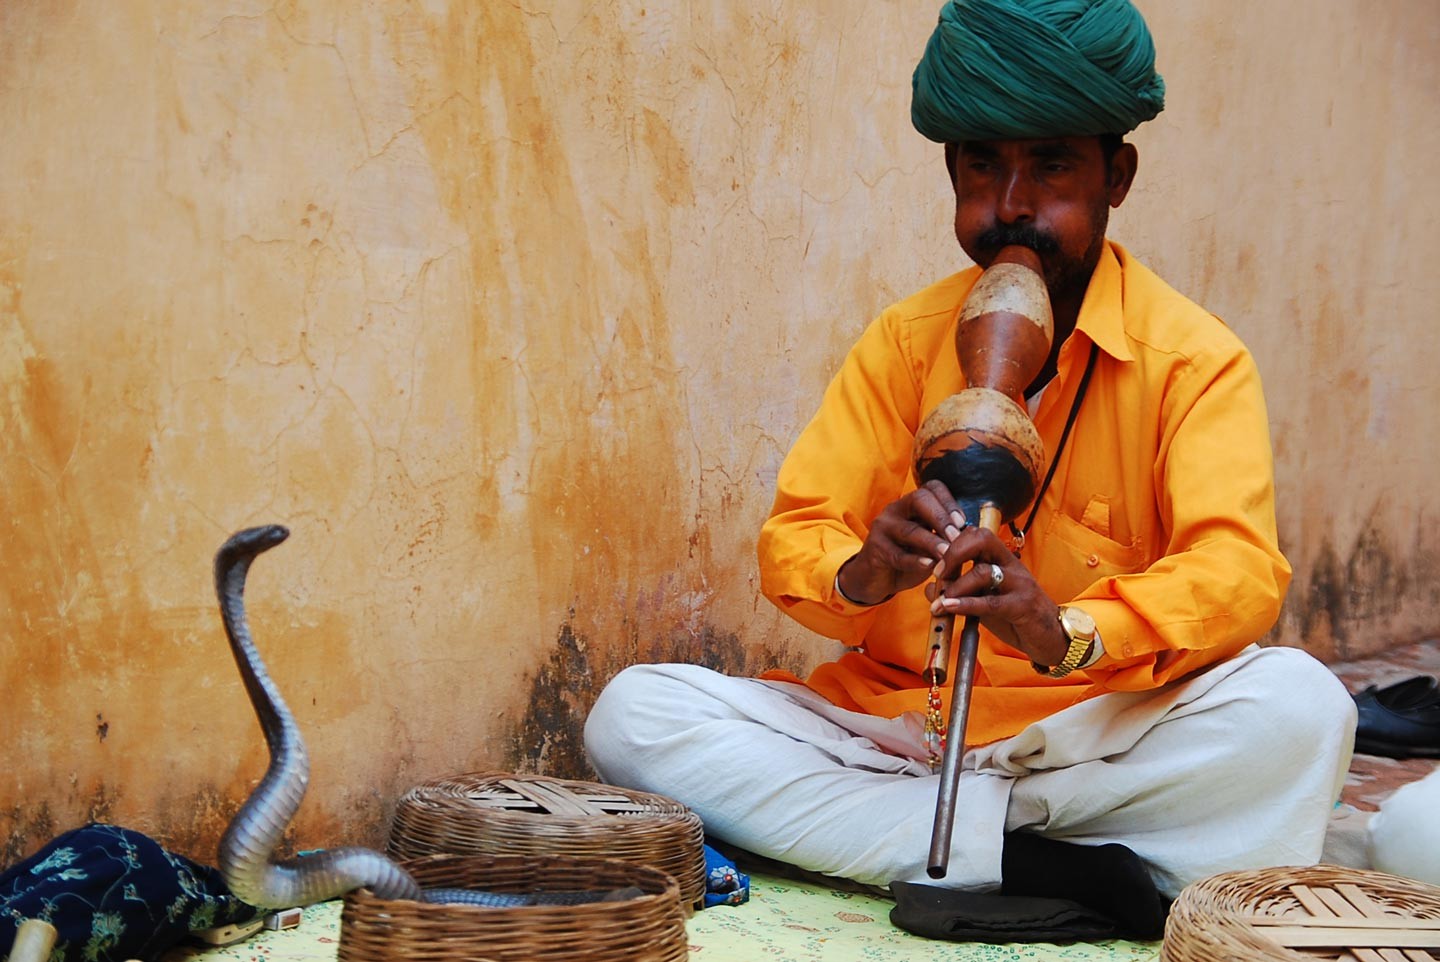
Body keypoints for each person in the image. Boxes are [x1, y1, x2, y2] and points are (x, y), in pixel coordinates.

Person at [585, 0, 1356, 940]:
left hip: (1091, 733)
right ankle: (1049, 865)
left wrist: (1063, 632)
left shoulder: (1195, 361)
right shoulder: (905, 341)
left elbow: (1234, 574)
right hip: (895, 731)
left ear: (1118, 174)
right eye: (982, 166)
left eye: (1053, 167)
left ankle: (946, 847)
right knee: (634, 715)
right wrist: (865, 572)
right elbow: (798, 536)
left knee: (1301, 708)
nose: (1012, 205)